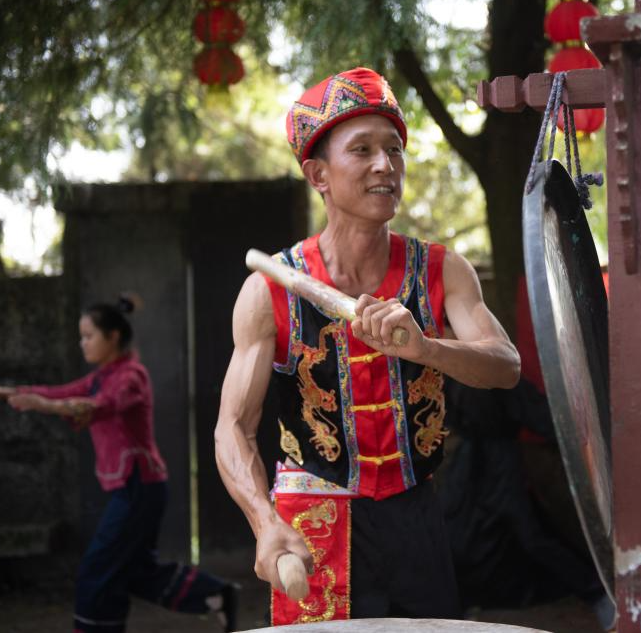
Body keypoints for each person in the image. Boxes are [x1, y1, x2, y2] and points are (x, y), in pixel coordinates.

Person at [214, 66, 520, 625]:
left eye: (394, 150)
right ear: (319, 174)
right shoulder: (268, 291)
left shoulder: (441, 269)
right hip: (314, 518)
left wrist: (427, 349)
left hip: (417, 514)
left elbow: (506, 366)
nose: (386, 165)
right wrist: (264, 522)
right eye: (362, 150)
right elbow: (233, 427)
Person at [0, 295, 239, 633]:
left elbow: (98, 405)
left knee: (97, 571)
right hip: (135, 489)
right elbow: (58, 392)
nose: (83, 343)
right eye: (82, 337)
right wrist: (2, 392)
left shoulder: (131, 376)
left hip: (139, 487)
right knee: (133, 570)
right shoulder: (102, 376)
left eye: (89, 336)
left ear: (113, 337)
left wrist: (42, 405)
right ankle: (215, 594)